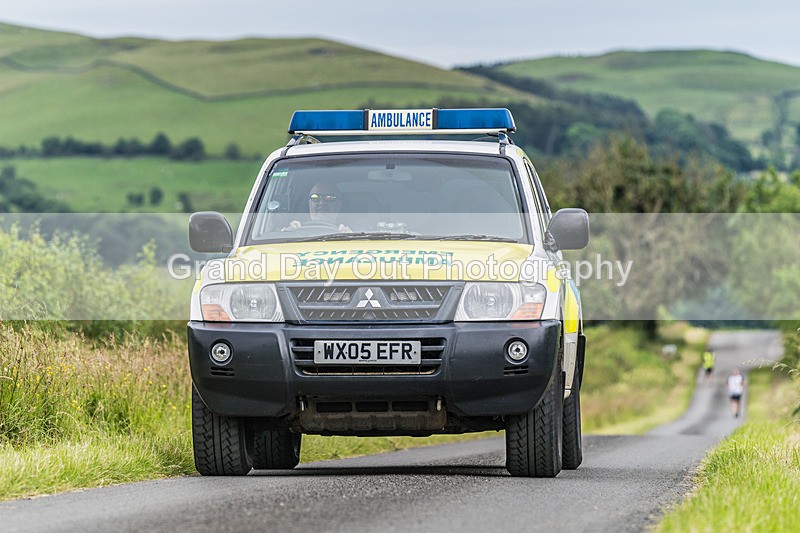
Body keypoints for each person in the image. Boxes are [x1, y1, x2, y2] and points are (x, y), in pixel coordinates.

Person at [283, 182, 351, 232]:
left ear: (339, 204)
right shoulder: (296, 228)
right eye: (315, 197)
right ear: (309, 203)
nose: (322, 203)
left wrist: (352, 238)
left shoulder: (355, 230)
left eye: (329, 197)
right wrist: (288, 233)